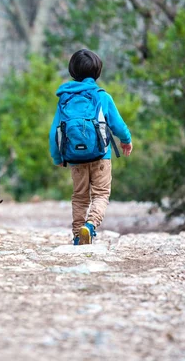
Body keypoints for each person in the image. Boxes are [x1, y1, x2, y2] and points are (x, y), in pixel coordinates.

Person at [49, 49, 133, 245]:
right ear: (97, 72)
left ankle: (78, 235)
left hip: (75, 158)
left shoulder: (64, 99)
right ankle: (91, 225)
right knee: (101, 194)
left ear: (72, 71)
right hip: (100, 155)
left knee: (79, 197)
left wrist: (58, 157)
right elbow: (118, 125)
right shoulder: (102, 97)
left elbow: (55, 132)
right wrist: (126, 140)